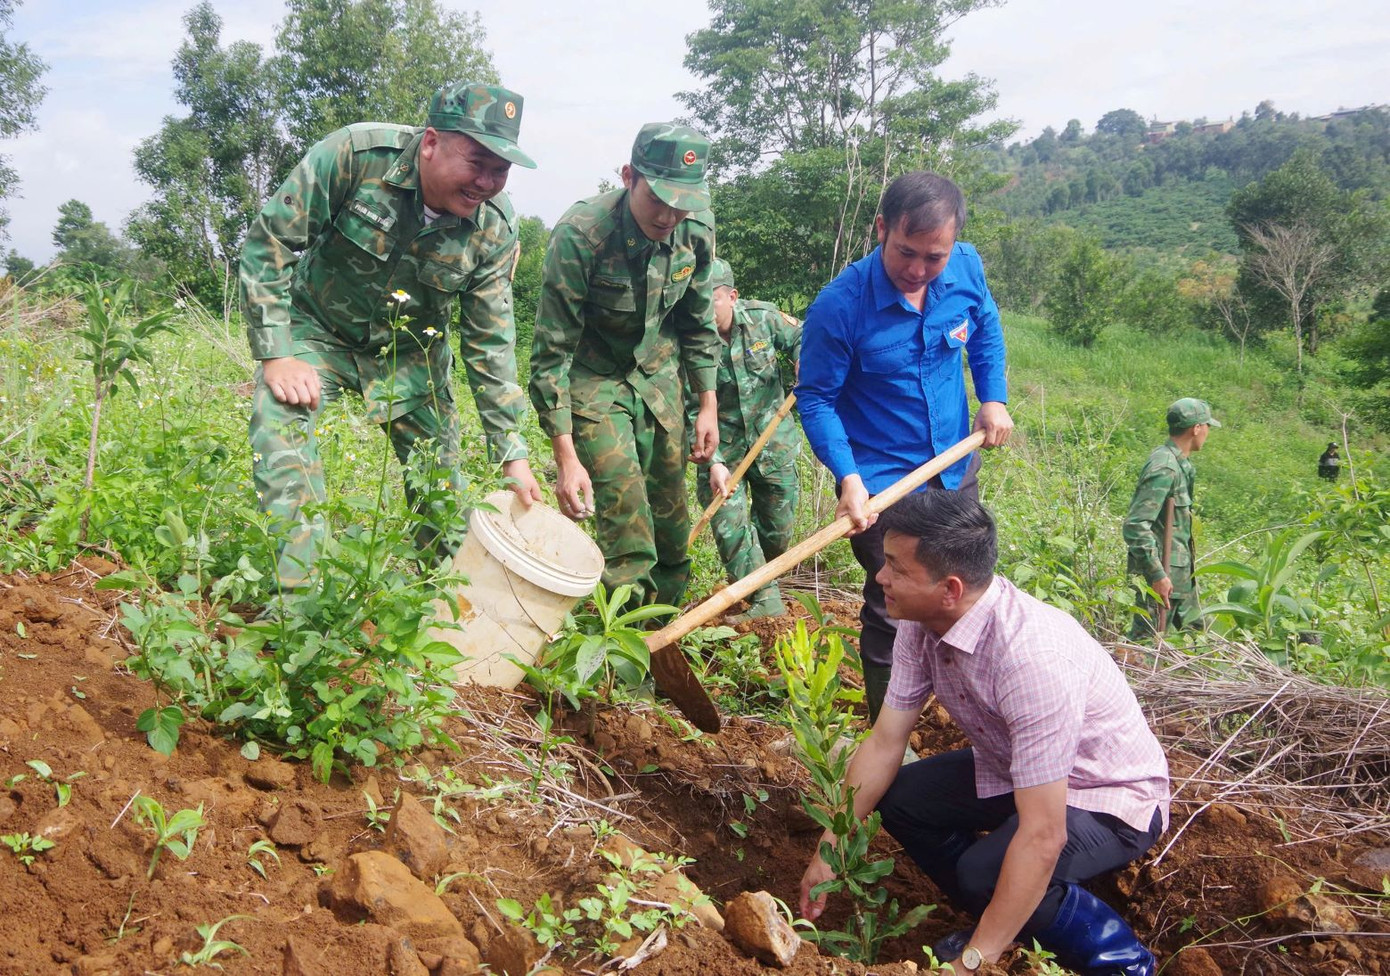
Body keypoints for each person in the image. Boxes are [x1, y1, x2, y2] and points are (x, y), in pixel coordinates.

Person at [799, 491, 1169, 975]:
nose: (880, 578)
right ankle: (996, 917)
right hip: (1017, 769)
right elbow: (886, 743)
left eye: (895, 567)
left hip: (1106, 794)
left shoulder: (1031, 661)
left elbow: (1042, 834)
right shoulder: (921, 620)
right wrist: (830, 847)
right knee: (904, 799)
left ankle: (1122, 960)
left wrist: (976, 961)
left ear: (949, 588)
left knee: (985, 873)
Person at [240, 81, 542, 592]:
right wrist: (277, 354)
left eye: (501, 169)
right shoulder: (356, 156)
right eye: (476, 162)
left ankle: (446, 614)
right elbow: (270, 244)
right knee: (280, 426)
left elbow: (490, 342)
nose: (487, 182)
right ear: (430, 143)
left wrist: (512, 449)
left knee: (442, 496)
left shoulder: (494, 227)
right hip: (318, 333)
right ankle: (301, 602)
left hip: (412, 355)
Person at [795, 170, 1012, 722]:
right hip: (883, 484)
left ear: (954, 244)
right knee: (895, 604)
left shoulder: (966, 267)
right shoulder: (839, 306)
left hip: (954, 466)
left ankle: (967, 713)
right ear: (881, 229)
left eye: (932, 257)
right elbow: (816, 400)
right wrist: (848, 478)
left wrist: (992, 398)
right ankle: (891, 735)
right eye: (905, 253)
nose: (917, 270)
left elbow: (985, 328)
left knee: (960, 594)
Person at [529, 123, 721, 607]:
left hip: (658, 378)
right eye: (658, 198)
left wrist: (707, 406)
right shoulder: (582, 235)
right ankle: (627, 660)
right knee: (627, 520)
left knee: (673, 523)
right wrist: (565, 458)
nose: (669, 214)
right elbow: (552, 351)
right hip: (595, 381)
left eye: (682, 202)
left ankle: (665, 636)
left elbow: (698, 324)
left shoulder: (694, 230)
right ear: (628, 176)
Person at [687, 258, 802, 622]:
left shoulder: (763, 319)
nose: (704, 310)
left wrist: (805, 360)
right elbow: (686, 406)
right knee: (729, 522)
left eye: (712, 300)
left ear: (732, 296)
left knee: (777, 531)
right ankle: (764, 601)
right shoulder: (687, 341)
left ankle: (761, 586)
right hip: (722, 452)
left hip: (774, 445)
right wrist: (714, 461)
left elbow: (805, 336)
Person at [1122, 398, 1220, 637]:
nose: (1207, 432)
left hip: (1180, 576)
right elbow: (1136, 525)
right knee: (1144, 645)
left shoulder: (1180, 464)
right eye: (1206, 426)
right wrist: (1157, 575)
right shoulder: (1165, 467)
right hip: (1163, 578)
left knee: (1199, 639)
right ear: (1196, 428)